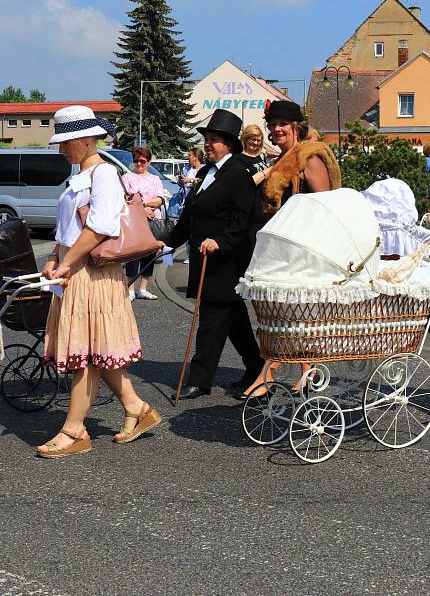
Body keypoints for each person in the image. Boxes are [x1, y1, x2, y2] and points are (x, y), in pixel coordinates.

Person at [37, 105, 160, 458]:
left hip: (92, 274)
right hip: (75, 273)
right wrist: (52, 259)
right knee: (96, 351)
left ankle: (74, 432)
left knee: (87, 355)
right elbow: (68, 230)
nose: (61, 149)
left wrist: (67, 262)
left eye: (66, 142)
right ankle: (138, 410)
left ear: (88, 139)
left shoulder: (103, 174)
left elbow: (102, 226)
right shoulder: (78, 177)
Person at [238, 100, 341, 401]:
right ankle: (306, 371)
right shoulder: (284, 159)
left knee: (289, 313)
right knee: (290, 313)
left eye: (282, 124)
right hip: (284, 247)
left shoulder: (309, 157)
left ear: (296, 127)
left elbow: (326, 203)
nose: (276, 129)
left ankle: (267, 373)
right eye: (272, 125)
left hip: (306, 248)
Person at [163, 109, 263, 399]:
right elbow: (190, 215)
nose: (208, 144)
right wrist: (168, 242)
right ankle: (257, 367)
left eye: (214, 140)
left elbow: (243, 219)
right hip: (205, 257)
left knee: (211, 318)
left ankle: (200, 379)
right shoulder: (206, 172)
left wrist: (220, 241)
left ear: (229, 144)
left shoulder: (239, 173)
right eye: (206, 139)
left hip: (226, 261)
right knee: (233, 319)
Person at [122, 146, 164, 300]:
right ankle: (131, 288)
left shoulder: (155, 179)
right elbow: (126, 199)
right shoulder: (127, 177)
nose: (139, 164)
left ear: (149, 162)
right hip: (135, 220)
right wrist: (143, 208)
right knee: (134, 253)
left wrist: (143, 202)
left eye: (142, 161)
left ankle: (143, 288)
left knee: (150, 253)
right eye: (136, 161)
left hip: (153, 220)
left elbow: (160, 199)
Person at [177, 146, 204, 264]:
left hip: (198, 202)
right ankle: (188, 254)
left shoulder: (204, 169)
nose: (188, 157)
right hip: (185, 202)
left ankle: (195, 254)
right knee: (186, 228)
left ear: (196, 157)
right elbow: (181, 184)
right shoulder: (186, 169)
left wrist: (191, 180)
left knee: (195, 229)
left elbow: (203, 181)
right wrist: (181, 180)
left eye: (190, 155)